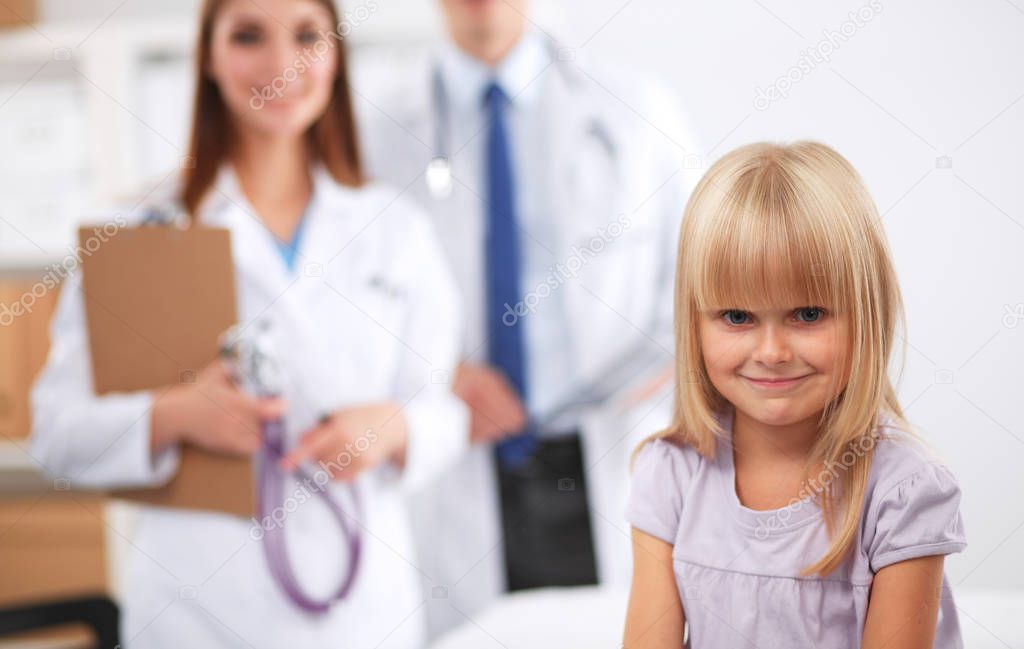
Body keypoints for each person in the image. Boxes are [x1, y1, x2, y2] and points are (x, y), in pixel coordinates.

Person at [30, 0, 466, 646]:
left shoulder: (395, 232)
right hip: (195, 612)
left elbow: (445, 411)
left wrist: (394, 427)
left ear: (337, 55)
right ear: (207, 55)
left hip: (362, 610)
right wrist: (175, 413)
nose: (280, 64)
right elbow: (56, 436)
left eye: (307, 36)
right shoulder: (136, 230)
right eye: (248, 36)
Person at [359, 0, 702, 638]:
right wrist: (445, 374)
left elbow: (705, 297)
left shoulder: (636, 112)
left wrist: (629, 387)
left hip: (610, 448)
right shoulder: (374, 131)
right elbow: (353, 303)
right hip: (458, 459)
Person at [623, 141, 967, 647]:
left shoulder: (905, 491)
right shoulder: (669, 473)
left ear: (867, 315)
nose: (772, 351)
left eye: (808, 315)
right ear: (694, 323)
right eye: (737, 317)